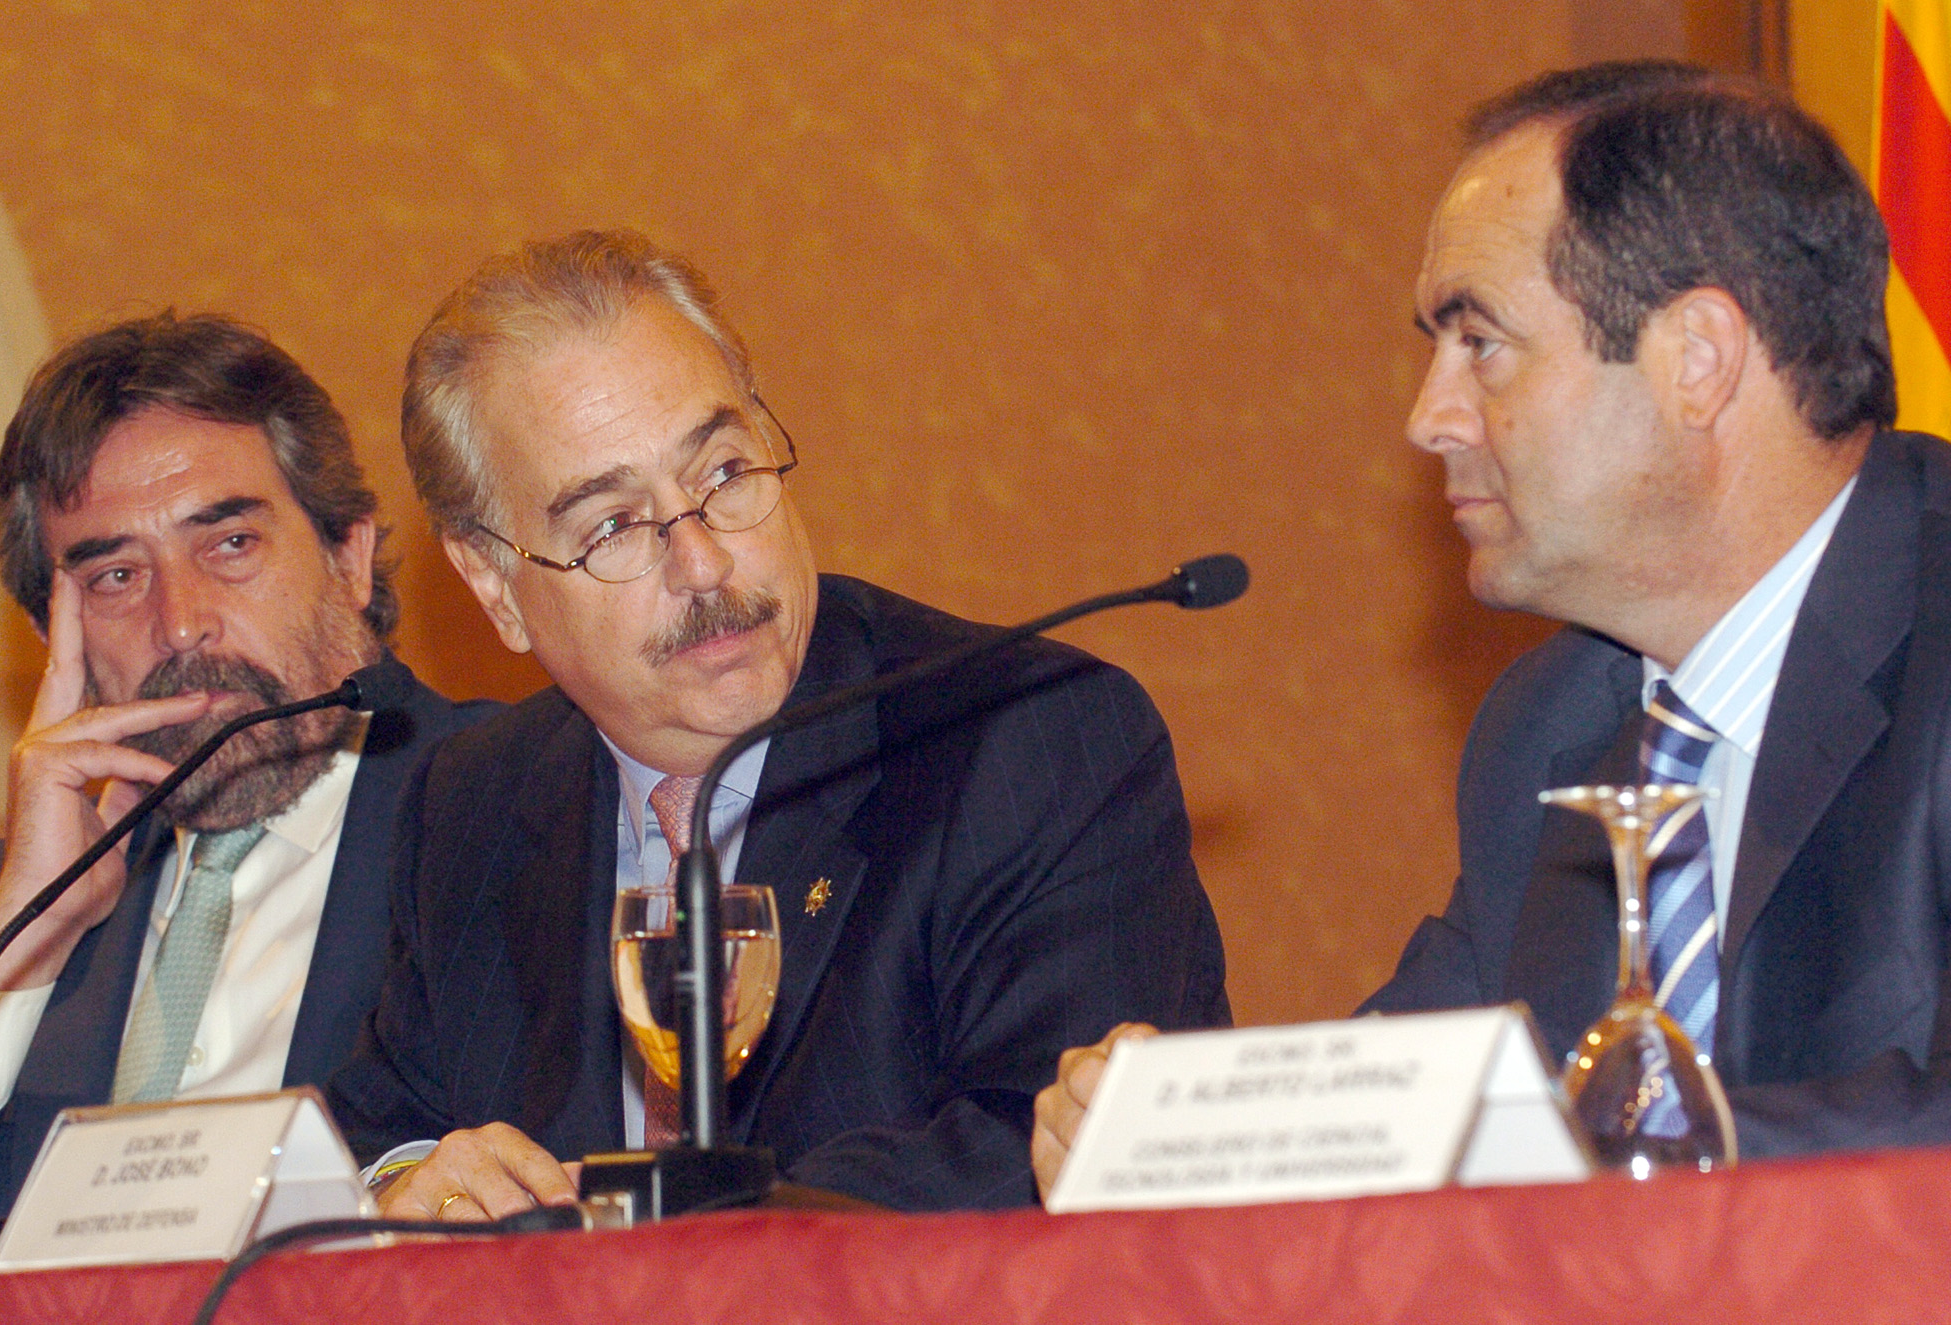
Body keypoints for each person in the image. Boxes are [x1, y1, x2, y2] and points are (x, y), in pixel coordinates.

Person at [1034, 59, 1951, 1198]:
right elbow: (1416, 1102)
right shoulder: (1548, 728)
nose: (1428, 418)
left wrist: (1611, 1149)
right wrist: (1181, 1129)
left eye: (1480, 342)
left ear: (1698, 361)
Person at [324, 228, 1230, 1217]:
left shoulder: (1029, 741)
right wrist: (406, 1187)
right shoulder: (473, 800)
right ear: (494, 585)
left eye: (722, 472)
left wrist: (638, 1225)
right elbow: (376, 1136)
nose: (704, 561)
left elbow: (1042, 1146)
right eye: (612, 526)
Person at [0, 313, 495, 1215]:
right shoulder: (7, 909)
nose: (180, 622)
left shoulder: (514, 807)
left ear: (349, 557)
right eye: (116, 576)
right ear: (57, 643)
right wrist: (19, 931)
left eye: (230, 543)